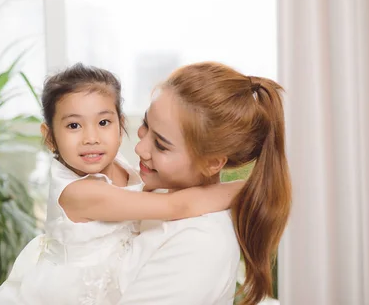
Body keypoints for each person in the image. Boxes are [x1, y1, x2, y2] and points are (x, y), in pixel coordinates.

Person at [0, 64, 242, 305]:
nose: (91, 138)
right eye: (74, 125)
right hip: (73, 291)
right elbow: (175, 206)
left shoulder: (114, 163)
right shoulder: (79, 193)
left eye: (103, 122)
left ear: (120, 126)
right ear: (50, 137)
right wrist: (246, 188)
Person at [116, 61, 292, 305]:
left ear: (212, 163)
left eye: (161, 145)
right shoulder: (151, 189)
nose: (139, 148)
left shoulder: (201, 245)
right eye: (146, 125)